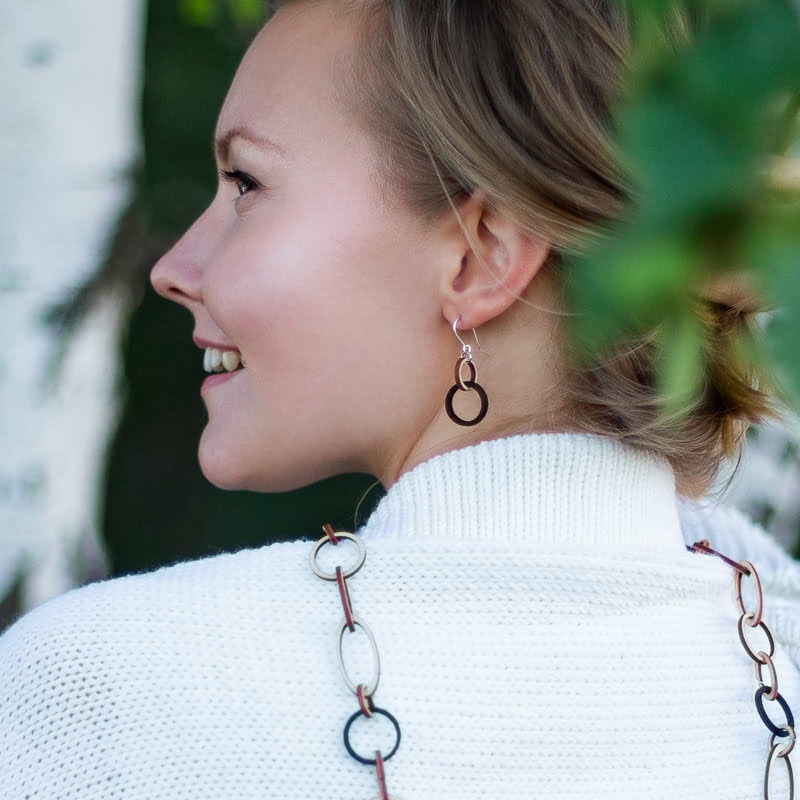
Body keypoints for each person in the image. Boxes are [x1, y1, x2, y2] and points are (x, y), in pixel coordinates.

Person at [1, 1, 799, 798]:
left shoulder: (106, 702)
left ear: (479, 255)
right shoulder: (774, 662)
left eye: (246, 183)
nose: (173, 268)